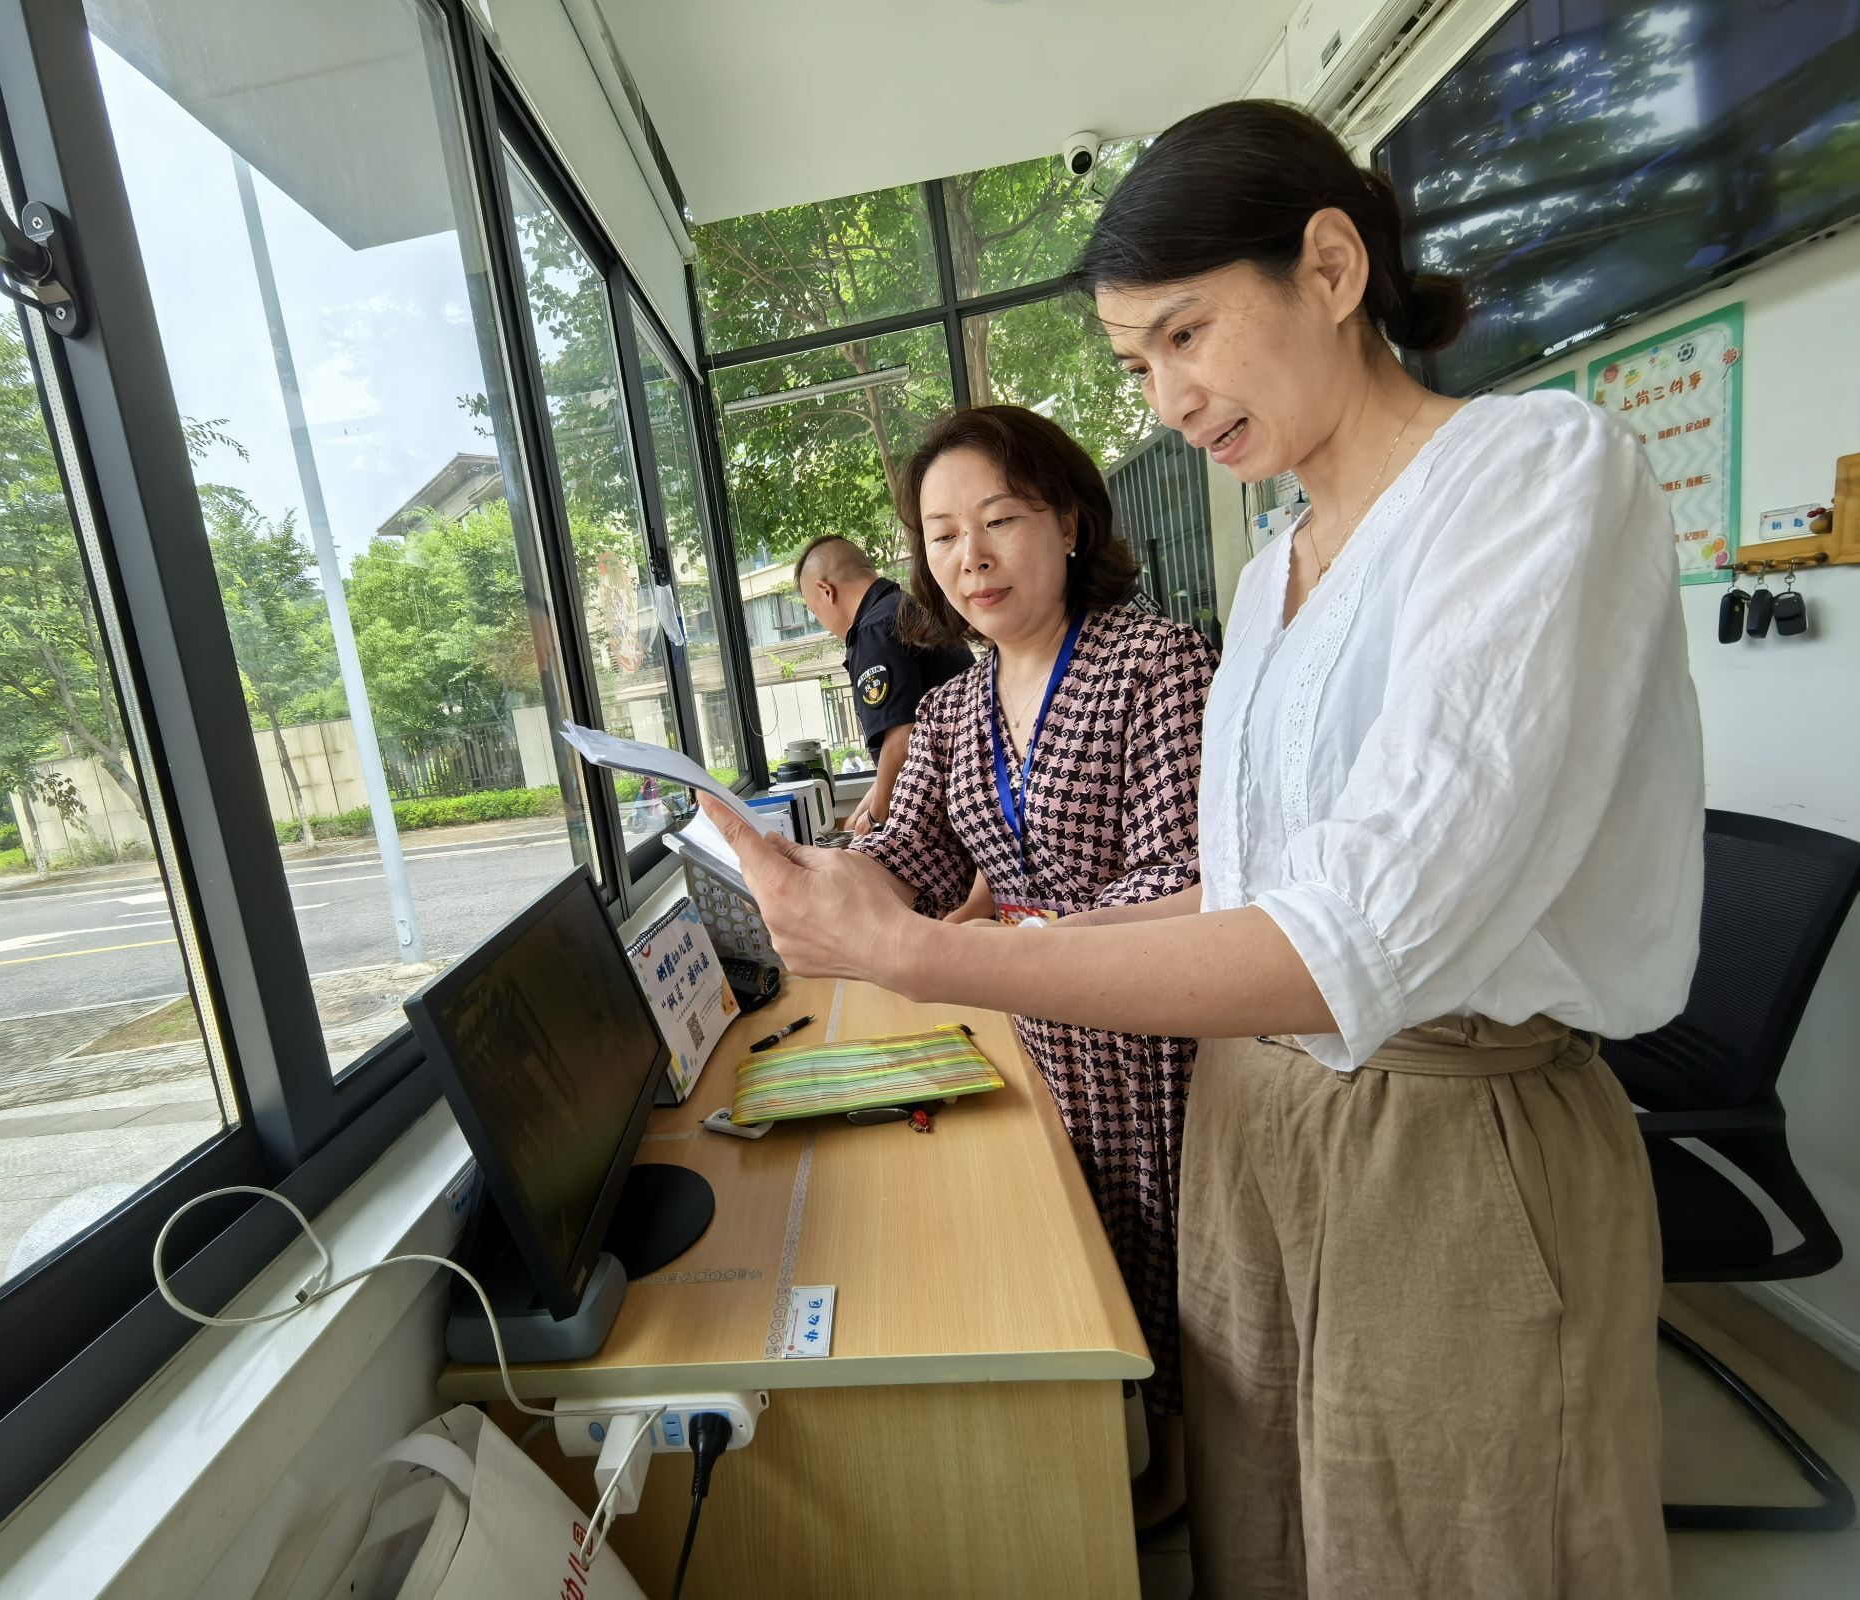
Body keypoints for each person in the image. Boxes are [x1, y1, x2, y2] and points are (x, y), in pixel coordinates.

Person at [704, 99, 1699, 1600]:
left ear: (1331, 267)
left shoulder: (1531, 478)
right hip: (1247, 1117)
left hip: (1437, 1130)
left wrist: (929, 955)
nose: (1167, 397)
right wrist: (936, 922)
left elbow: (1347, 937)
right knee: (1273, 1535)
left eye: (1185, 334)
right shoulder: (1271, 570)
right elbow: (1238, 891)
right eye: (1135, 364)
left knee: (1450, 1543)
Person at [846, 404, 1215, 1529]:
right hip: (1036, 1035)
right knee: (1072, 1253)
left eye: (999, 519)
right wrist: (807, 876)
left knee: (1171, 1262)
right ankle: (1112, 1453)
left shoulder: (1155, 661)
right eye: (943, 535)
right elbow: (904, 856)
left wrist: (1018, 943)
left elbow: (1186, 870)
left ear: (1066, 522)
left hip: (1160, 1039)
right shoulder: (953, 707)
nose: (971, 557)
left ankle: (1190, 1469)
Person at [792, 535, 972, 833]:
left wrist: (875, 818)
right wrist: (857, 816)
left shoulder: (874, 631)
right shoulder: (905, 608)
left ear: (826, 591)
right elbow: (901, 749)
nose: (822, 622)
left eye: (814, 610)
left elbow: (902, 739)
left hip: (950, 811)